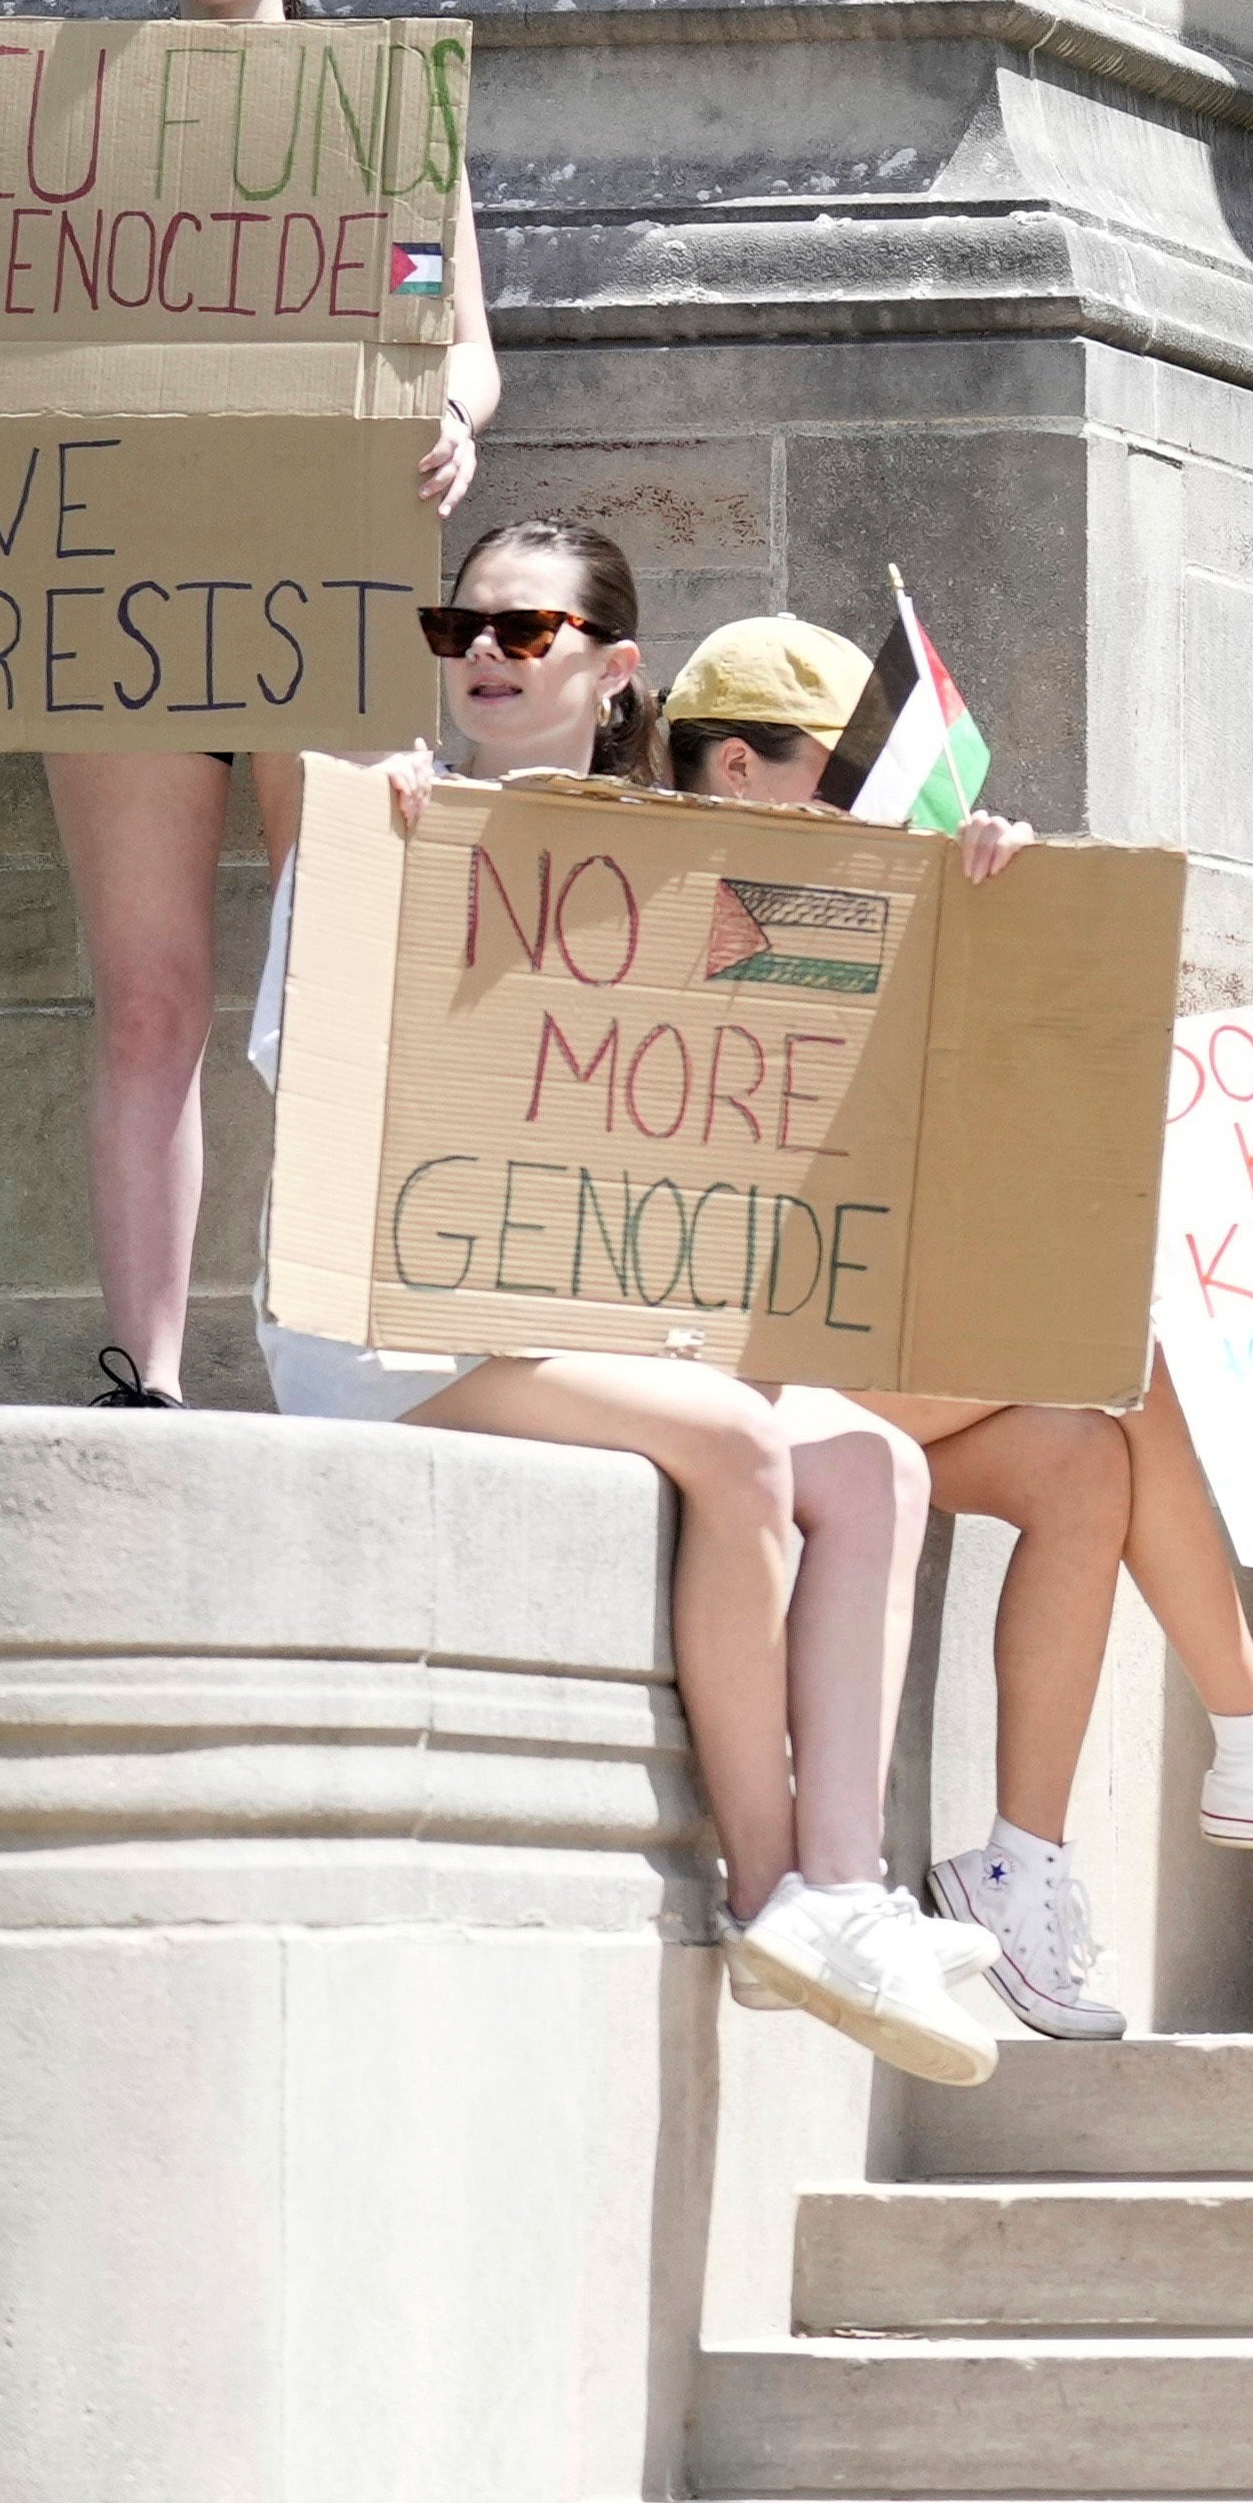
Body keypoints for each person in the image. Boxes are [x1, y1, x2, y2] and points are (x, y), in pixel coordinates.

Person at [663, 617, 1253, 2043]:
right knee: (1102, 1340)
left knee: (1081, 1456)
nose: (889, 812)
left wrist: (994, 914)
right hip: (709, 1367)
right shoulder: (657, 904)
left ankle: (1022, 1867)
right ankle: (1251, 1724)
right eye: (854, 779)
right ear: (741, 766)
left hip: (831, 1350)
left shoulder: (847, 898)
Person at [260, 527, 989, 2085]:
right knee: (736, 1439)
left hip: (586, 1308)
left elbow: (852, 1020)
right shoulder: (383, 824)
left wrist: (971, 876)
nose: (486, 651)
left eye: (529, 627)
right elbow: (310, 1085)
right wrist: (387, 872)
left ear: (613, 666)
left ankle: (849, 1888)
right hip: (401, 1322)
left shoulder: (673, 855)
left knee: (876, 1461)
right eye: (463, 619)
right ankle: (771, 1881)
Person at [0, 0, 506, 1412]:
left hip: (326, 570)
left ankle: (363, 1335)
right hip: (119, 591)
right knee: (149, 994)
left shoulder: (378, 113)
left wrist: (449, 415)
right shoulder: (62, 121)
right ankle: (143, 1369)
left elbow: (459, 331)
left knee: (345, 970)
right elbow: (8, 344)